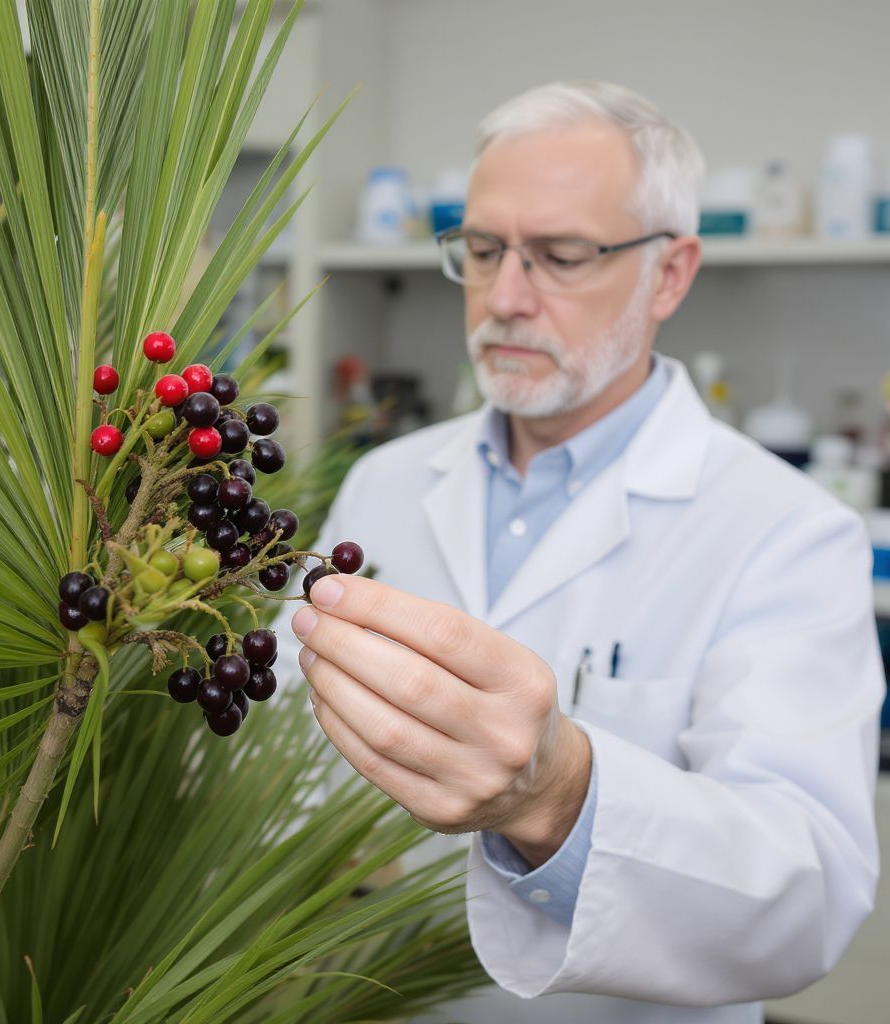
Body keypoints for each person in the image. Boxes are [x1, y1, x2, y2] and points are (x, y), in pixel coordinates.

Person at [273, 81, 885, 1023]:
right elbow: (283, 737)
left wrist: (559, 793)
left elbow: (807, 897)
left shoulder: (786, 529)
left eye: (561, 256)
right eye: (481, 251)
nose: (505, 299)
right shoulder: (386, 483)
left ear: (671, 274)